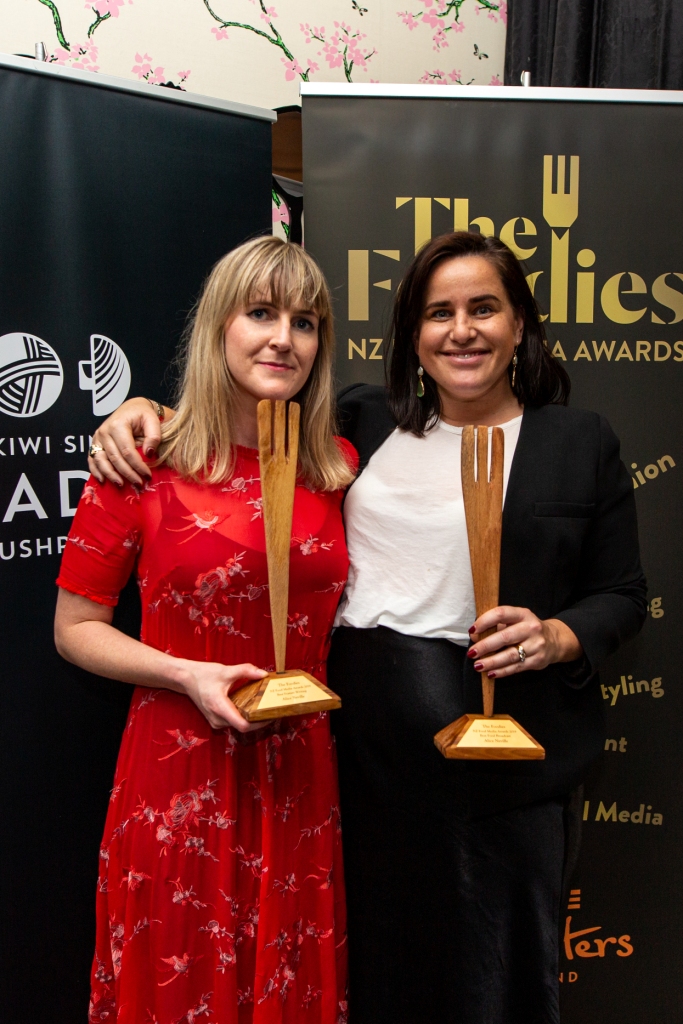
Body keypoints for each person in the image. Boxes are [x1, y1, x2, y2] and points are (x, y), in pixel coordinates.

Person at [87, 231, 646, 1024]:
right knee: (375, 977)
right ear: (411, 335)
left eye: (483, 309)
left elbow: (621, 593)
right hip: (360, 769)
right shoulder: (364, 423)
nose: (461, 330)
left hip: (503, 771)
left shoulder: (576, 441)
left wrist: (558, 635)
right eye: (438, 313)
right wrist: (139, 411)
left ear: (519, 323)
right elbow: (236, 422)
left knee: (497, 979)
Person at [55, 236, 356, 1024]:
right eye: (260, 313)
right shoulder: (143, 462)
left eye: (304, 322)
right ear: (219, 324)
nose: (283, 339)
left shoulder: (337, 465)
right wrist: (186, 673)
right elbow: (75, 628)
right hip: (180, 773)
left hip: (298, 779)